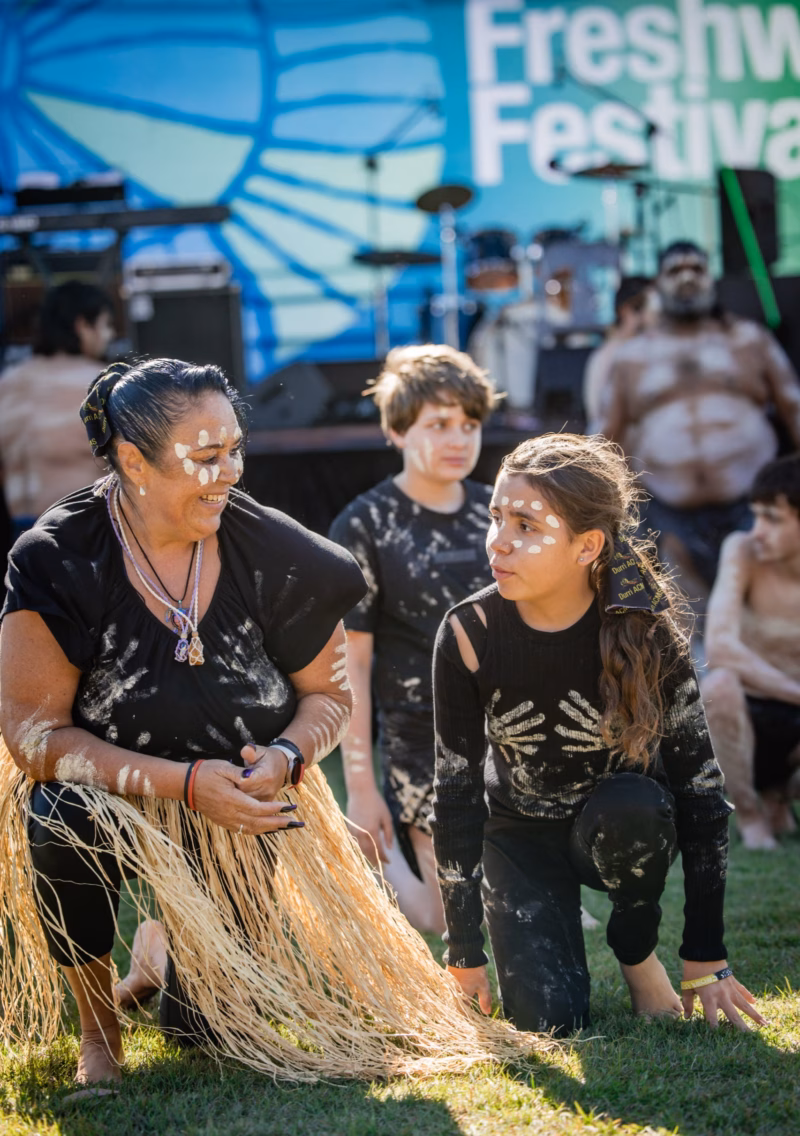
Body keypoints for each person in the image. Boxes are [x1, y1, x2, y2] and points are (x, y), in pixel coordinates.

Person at [0, 357, 541, 1090]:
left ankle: (163, 957)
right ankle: (100, 1030)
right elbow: (34, 737)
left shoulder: (279, 555)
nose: (229, 473)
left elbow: (331, 696)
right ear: (133, 461)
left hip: (237, 811)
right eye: (205, 457)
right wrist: (184, 783)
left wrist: (286, 755)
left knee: (204, 1033)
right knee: (57, 815)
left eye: (235, 450)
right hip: (111, 796)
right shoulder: (58, 559)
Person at [431, 432, 766, 1036]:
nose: (498, 541)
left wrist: (706, 956)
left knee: (634, 806)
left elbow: (701, 793)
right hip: (519, 835)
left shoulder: (647, 631)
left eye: (526, 526)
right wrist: (463, 954)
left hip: (622, 824)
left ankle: (635, 951)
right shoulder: (467, 633)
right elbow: (454, 795)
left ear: (587, 546)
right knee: (549, 1023)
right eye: (496, 517)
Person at [329, 345, 496, 933]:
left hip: (513, 736)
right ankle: (361, 861)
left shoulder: (500, 513)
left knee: (516, 905)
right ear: (398, 430)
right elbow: (352, 664)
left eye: (469, 425)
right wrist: (360, 789)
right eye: (439, 424)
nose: (458, 439)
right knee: (439, 917)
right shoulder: (363, 525)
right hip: (423, 743)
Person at [597, 241, 800, 599]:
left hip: (753, 511)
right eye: (675, 270)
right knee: (690, 623)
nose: (687, 277)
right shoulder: (632, 357)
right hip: (669, 520)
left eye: (697, 269)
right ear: (659, 284)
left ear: (711, 279)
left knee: (767, 616)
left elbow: (794, 408)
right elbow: (603, 437)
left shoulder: (749, 340)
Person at [703, 453, 800, 851]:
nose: (757, 531)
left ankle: (780, 799)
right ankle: (748, 813)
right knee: (718, 685)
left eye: (772, 519)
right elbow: (719, 647)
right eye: (756, 516)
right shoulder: (742, 549)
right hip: (747, 714)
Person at [0, 280, 115, 540]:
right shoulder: (96, 383)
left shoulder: (7, 383)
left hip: (18, 534)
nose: (109, 336)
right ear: (83, 326)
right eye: (106, 325)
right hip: (78, 529)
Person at [583, 276, 653, 428]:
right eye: (650, 308)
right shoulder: (608, 357)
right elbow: (599, 418)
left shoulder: (651, 350)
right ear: (626, 311)